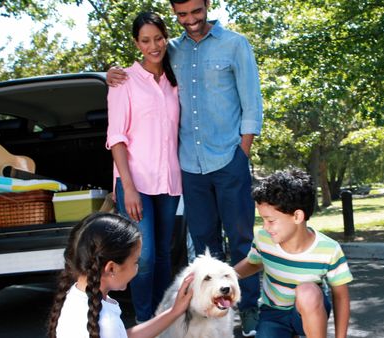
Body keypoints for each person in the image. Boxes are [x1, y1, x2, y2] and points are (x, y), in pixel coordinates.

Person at [107, 0, 264, 335]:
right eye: (182, 14)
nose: (190, 20)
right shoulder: (169, 51)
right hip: (189, 169)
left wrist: (242, 154)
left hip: (228, 160)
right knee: (205, 247)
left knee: (241, 239)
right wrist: (110, 74)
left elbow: (252, 103)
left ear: (207, 5)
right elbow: (134, 86)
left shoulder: (234, 44)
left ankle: (250, 309)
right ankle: (209, 319)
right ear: (174, 14)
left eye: (196, 11)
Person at [105, 12, 181, 322]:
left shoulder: (174, 80)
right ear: (137, 44)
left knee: (163, 254)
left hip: (169, 181)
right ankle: (144, 320)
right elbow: (116, 138)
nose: (154, 46)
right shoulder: (123, 80)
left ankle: (163, 319)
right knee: (144, 256)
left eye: (159, 38)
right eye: (146, 40)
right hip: (134, 182)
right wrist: (129, 188)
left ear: (166, 37)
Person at [234, 169, 353, 338]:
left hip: (308, 311)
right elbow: (253, 263)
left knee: (308, 292)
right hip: (273, 313)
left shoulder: (329, 250)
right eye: (262, 220)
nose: (265, 227)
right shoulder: (263, 239)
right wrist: (224, 276)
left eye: (270, 220)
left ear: (297, 216)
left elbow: (341, 297)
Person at [47, 212, 194, 338]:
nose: (137, 268)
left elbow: (124, 335)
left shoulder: (76, 295)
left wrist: (174, 312)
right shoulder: (106, 322)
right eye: (136, 261)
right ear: (111, 268)